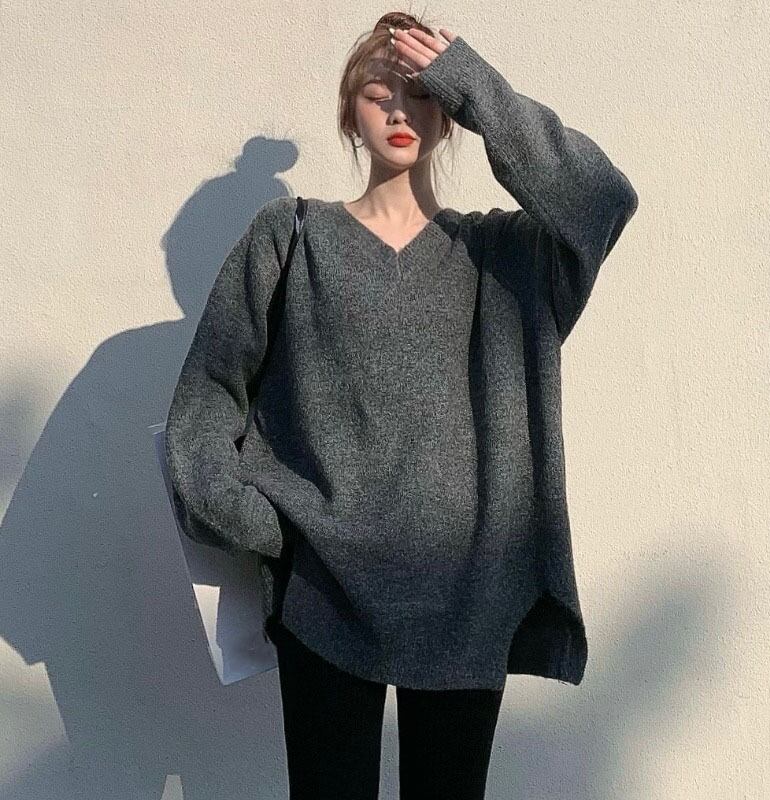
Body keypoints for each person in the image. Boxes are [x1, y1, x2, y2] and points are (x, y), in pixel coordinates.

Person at [165, 11, 638, 800]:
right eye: (378, 92)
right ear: (349, 113)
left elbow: (602, 200)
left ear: (449, 114)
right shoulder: (292, 238)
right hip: (325, 593)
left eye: (422, 94)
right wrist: (268, 527)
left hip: (470, 594)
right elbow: (207, 396)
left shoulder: (503, 257)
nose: (400, 110)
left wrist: (476, 84)